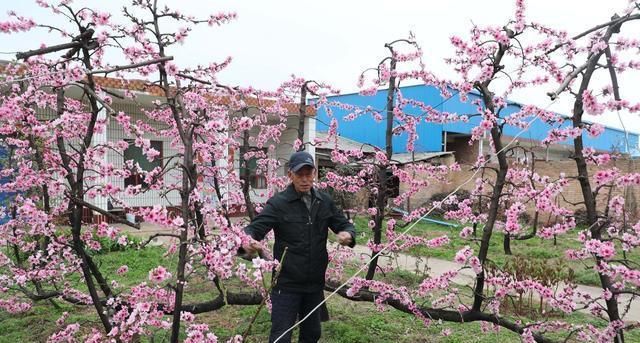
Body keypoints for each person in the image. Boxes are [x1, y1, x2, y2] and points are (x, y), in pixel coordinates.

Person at [242, 150, 356, 343]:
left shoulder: (324, 201)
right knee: (281, 336)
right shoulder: (279, 203)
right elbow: (253, 230)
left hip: (314, 284)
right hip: (286, 284)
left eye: (308, 174)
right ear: (290, 175)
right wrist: (247, 244)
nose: (304, 179)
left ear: (315, 174)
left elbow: (343, 224)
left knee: (312, 334)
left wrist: (347, 234)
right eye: (299, 174)